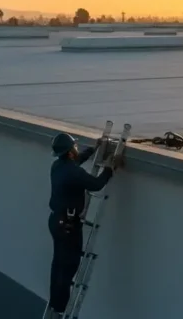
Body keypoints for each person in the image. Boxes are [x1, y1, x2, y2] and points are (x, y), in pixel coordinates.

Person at [46, 132, 119, 317]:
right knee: (69, 265)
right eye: (74, 147)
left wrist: (93, 149)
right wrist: (109, 168)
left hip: (56, 221)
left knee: (58, 264)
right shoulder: (73, 172)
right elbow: (96, 185)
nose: (76, 149)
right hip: (68, 226)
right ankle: (62, 308)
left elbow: (77, 162)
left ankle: (56, 303)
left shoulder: (59, 166)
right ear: (70, 152)